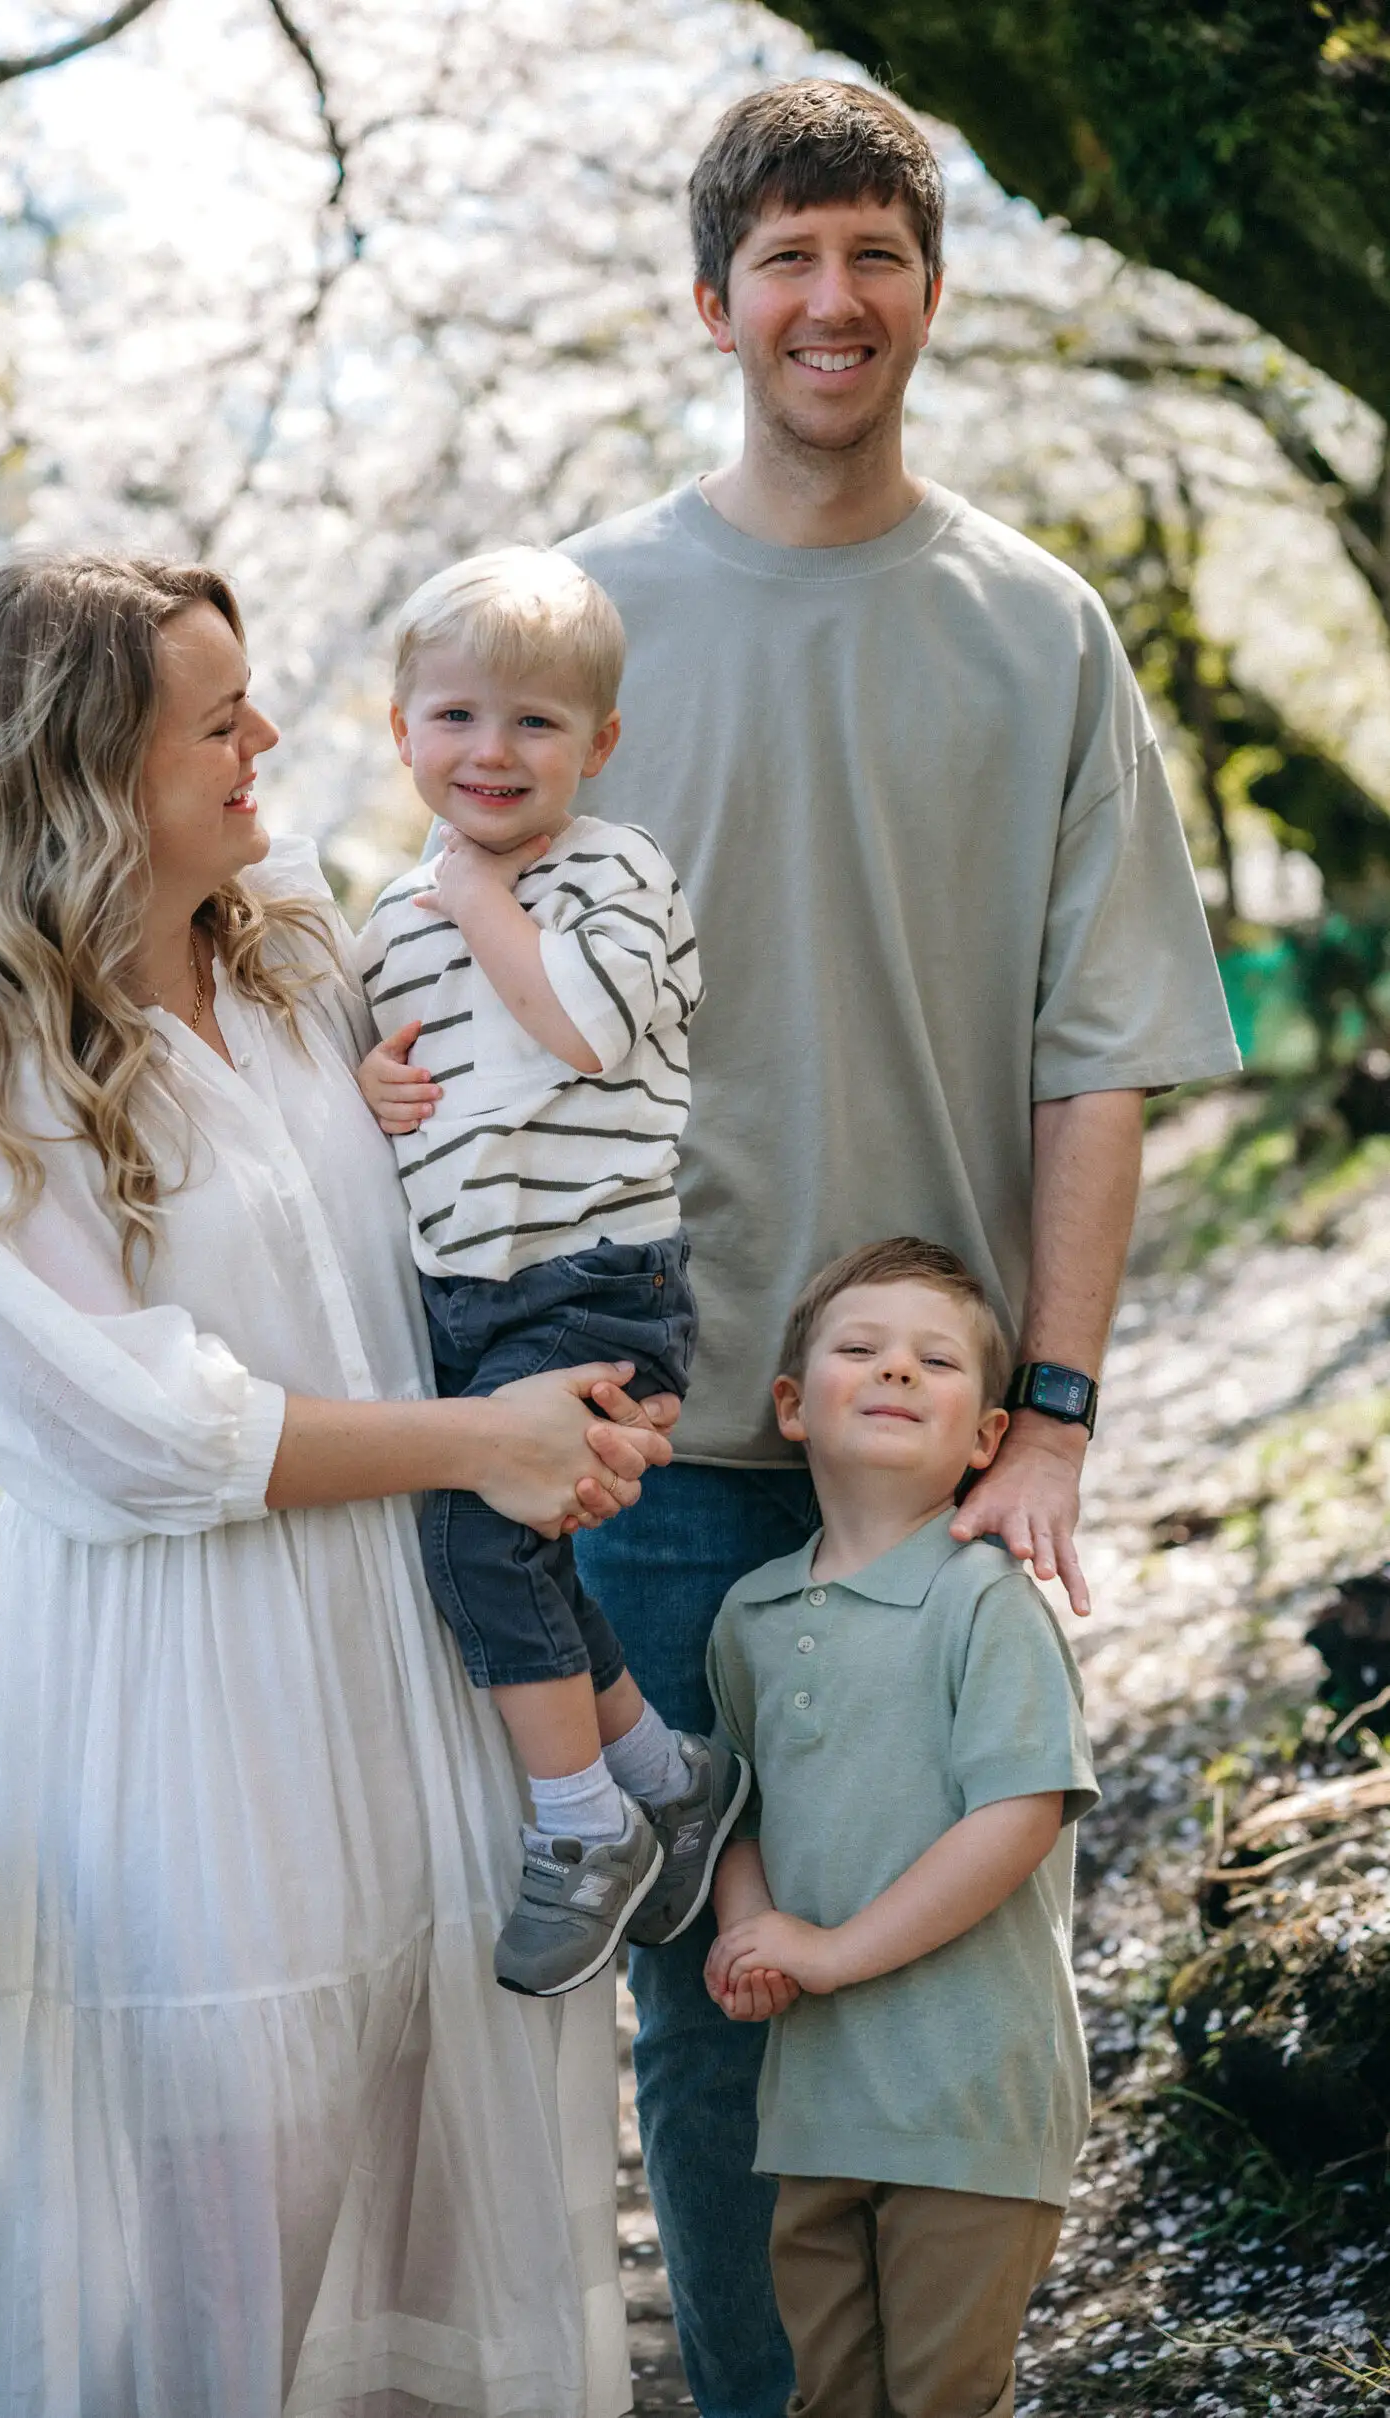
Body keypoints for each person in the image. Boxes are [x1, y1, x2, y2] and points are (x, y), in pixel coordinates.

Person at [564, 76, 1241, 2418]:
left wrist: (1046, 1409)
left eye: (872, 256)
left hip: (915, 1441)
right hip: (652, 1421)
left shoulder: (1037, 627)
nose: (829, 303)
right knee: (710, 1986)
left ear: (931, 292)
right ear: (709, 301)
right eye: (783, 262)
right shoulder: (594, 620)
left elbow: (1102, 1046)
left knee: (928, 1977)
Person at [0, 551, 676, 2418]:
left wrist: (586, 1388)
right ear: (82, 767)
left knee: (448, 2133)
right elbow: (135, 1428)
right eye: (216, 721)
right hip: (193, 1703)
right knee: (228, 2200)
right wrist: (489, 1441)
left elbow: (503, 1191)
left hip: (417, 1654)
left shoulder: (303, 944)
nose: (269, 740)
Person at [354, 548, 750, 1999]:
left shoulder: (612, 872)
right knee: (508, 1550)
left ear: (601, 743)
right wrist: (377, 1087)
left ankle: (583, 1825)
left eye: (534, 722)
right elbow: (410, 1075)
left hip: (593, 1276)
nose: (492, 752)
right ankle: (667, 1778)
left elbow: (583, 1026)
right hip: (470, 1284)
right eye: (455, 716)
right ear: (400, 730)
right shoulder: (401, 911)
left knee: (478, 1546)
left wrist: (482, 906)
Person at [705, 1237, 1098, 2418]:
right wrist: (753, 1929)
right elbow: (740, 1807)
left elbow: (1019, 1814)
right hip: (818, 2103)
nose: (897, 1373)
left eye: (935, 1362)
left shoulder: (982, 1599)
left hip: (969, 2091)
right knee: (829, 2395)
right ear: (790, 1404)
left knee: (939, 2398)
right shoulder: (753, 1613)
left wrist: (833, 1952)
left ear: (987, 1436)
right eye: (859, 1350)